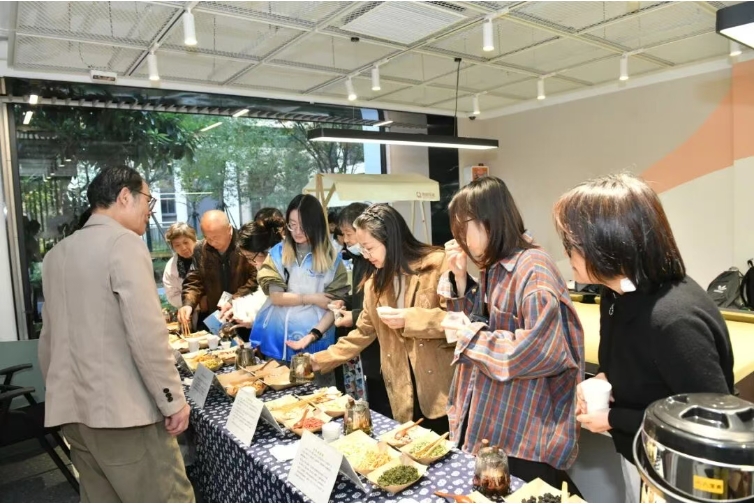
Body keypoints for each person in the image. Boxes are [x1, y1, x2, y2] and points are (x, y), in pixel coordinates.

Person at [553, 173, 735, 503]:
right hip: (641, 455)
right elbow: (623, 360)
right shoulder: (615, 293)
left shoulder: (675, 319)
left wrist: (613, 418)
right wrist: (603, 380)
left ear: (610, 244)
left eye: (573, 244)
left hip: (683, 476)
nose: (567, 254)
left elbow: (709, 426)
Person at [38, 166, 194, 502]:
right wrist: (173, 401)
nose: (150, 210)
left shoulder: (56, 255)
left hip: (74, 415)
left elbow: (48, 341)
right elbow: (146, 335)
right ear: (125, 196)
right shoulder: (124, 244)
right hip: (124, 418)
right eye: (148, 200)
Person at [440, 176, 584, 492]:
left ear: (489, 220)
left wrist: (471, 337)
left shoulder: (534, 269)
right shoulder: (495, 265)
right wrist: (461, 280)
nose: (459, 238)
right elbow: (479, 322)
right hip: (495, 420)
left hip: (525, 429)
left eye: (463, 227)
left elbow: (540, 352)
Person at [293, 204, 452, 431]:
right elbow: (362, 333)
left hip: (441, 389)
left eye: (369, 248)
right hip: (401, 389)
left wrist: (410, 319)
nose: (366, 256)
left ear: (391, 240)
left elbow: (458, 320)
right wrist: (320, 360)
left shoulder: (437, 264)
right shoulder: (375, 284)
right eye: (362, 249)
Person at [251, 194, 349, 365]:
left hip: (316, 343)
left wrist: (312, 335)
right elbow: (276, 297)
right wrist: (312, 298)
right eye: (292, 224)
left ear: (316, 225)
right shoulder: (277, 253)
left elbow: (334, 307)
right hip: (277, 340)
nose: (296, 232)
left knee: (314, 381)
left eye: (303, 226)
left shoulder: (333, 260)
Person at [331, 202, 390, 415]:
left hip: (380, 346)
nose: (346, 240)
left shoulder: (379, 262)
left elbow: (382, 308)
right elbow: (361, 297)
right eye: (343, 235)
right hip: (364, 343)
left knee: (382, 400)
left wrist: (353, 316)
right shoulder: (359, 259)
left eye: (349, 234)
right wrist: (345, 302)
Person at [178, 210, 258, 333]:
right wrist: (188, 304)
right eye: (207, 237)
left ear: (229, 229)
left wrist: (234, 300)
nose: (211, 242)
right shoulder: (201, 249)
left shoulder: (246, 245)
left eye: (215, 237)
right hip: (217, 318)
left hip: (246, 315)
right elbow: (193, 281)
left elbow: (256, 279)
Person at [231, 211, 286, 328]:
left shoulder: (283, 268)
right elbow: (263, 296)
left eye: (250, 257)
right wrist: (238, 306)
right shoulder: (267, 265)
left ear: (265, 250)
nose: (250, 262)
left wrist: (254, 320)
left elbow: (281, 306)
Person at [162, 222, 198, 309]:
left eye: (186, 242)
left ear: (194, 239)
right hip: (191, 312)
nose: (183, 248)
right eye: (177, 245)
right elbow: (172, 297)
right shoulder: (171, 268)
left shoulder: (210, 254)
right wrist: (198, 303)